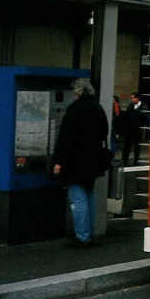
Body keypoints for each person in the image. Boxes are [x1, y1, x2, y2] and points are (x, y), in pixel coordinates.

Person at [52, 78, 108, 247]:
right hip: (93, 161)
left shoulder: (74, 110)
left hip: (75, 162)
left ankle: (82, 236)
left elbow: (65, 139)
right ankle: (88, 232)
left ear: (78, 92)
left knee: (78, 200)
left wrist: (58, 161)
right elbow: (104, 131)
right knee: (88, 196)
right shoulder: (98, 108)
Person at [122, 92, 146, 167]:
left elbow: (145, 118)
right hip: (130, 129)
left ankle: (136, 161)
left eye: (133, 98)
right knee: (127, 146)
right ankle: (124, 161)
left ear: (137, 98)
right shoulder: (130, 105)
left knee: (137, 147)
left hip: (138, 129)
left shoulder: (143, 106)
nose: (131, 99)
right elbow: (126, 116)